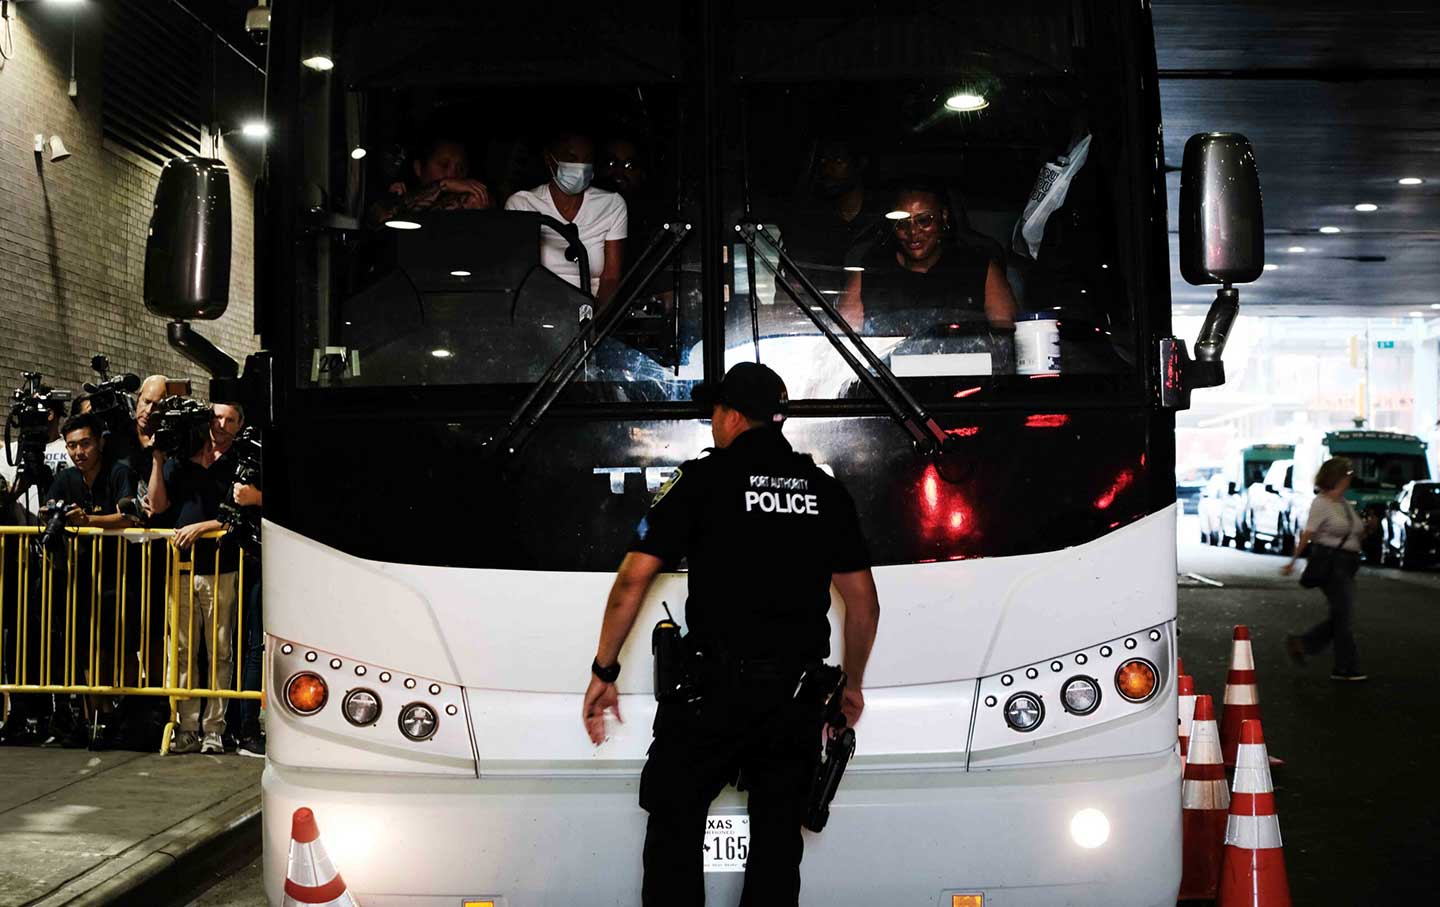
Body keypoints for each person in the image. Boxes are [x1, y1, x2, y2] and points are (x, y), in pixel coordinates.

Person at [580, 362, 881, 906]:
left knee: (674, 831)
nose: (713, 423)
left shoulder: (703, 481)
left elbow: (632, 581)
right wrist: (851, 686)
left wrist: (605, 670)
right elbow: (863, 603)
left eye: (715, 412)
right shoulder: (823, 490)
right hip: (794, 700)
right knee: (775, 847)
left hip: (709, 695)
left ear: (734, 416)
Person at [149, 417, 239, 754]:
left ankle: (214, 727)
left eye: (229, 419)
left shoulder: (232, 464)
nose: (220, 425)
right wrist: (157, 459)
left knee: (219, 649)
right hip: (180, 569)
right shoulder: (175, 464)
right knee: (183, 650)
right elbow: (157, 506)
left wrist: (201, 527)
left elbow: (236, 514)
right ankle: (187, 727)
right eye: (216, 418)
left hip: (221, 567)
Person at [839, 185, 1017, 336]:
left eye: (924, 220)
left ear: (944, 217)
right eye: (902, 223)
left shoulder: (978, 268)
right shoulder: (871, 270)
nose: (913, 231)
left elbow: (1009, 340)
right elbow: (845, 338)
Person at [505, 131, 628, 304]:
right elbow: (517, 274)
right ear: (550, 160)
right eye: (571, 159)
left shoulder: (612, 204)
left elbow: (611, 278)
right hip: (538, 312)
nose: (580, 167)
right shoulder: (522, 204)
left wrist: (595, 320)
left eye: (587, 160)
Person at [1281, 457, 1373, 681]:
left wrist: (1369, 527)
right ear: (1337, 477)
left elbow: (1355, 534)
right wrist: (1293, 561)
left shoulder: (1342, 503)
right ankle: (1345, 667)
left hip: (1349, 563)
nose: (1350, 481)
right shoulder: (1321, 503)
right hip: (1332, 564)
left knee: (1341, 615)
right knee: (1344, 615)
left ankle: (1303, 643)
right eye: (1348, 476)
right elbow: (1308, 533)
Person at [365, 131, 493, 228]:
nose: (452, 174)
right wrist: (443, 185)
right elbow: (378, 215)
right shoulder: (403, 197)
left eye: (461, 169)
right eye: (444, 165)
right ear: (419, 168)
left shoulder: (473, 199)